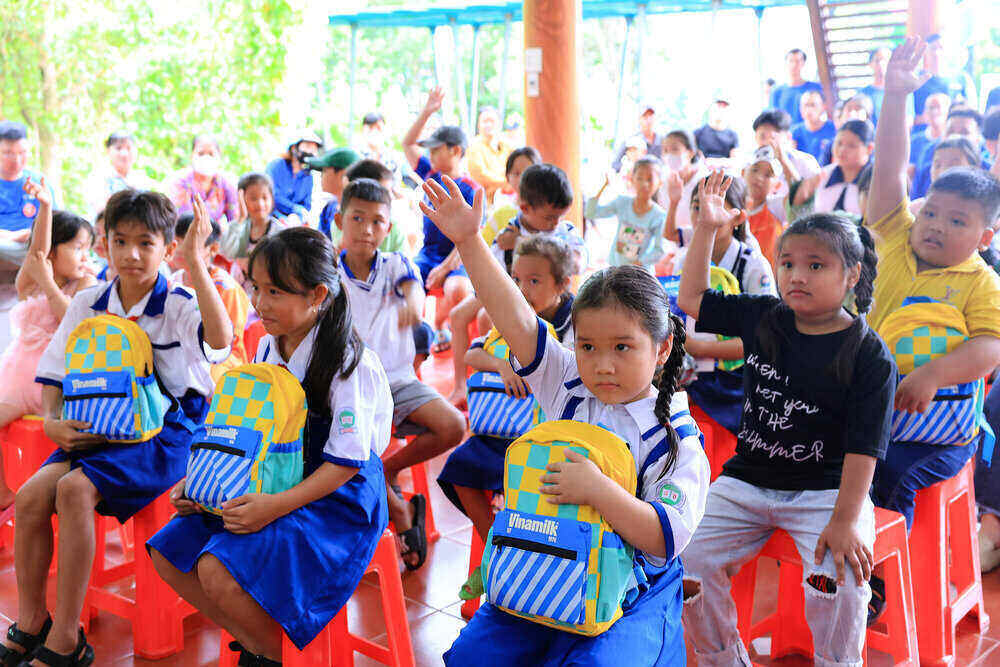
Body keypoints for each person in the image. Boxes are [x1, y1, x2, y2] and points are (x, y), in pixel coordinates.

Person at [421, 176, 709, 666]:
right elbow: (512, 315)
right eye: (587, 346)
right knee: (469, 656)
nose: (602, 364)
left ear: (661, 349)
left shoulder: (676, 440)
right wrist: (468, 241)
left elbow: (665, 537)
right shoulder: (566, 381)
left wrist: (597, 489)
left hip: (631, 594)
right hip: (546, 563)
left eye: (623, 347)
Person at [677, 171, 893, 666]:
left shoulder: (868, 354)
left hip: (829, 491)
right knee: (684, 560)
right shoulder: (765, 316)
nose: (797, 275)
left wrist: (844, 521)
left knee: (837, 576)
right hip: (748, 481)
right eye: (789, 263)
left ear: (852, 276)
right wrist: (707, 229)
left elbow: (866, 448)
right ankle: (722, 658)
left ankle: (838, 662)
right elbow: (692, 301)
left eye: (816, 265)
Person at [148, 227, 391, 666]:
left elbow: (347, 464)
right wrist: (199, 483)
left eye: (275, 291)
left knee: (216, 568)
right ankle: (262, 647)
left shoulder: (347, 362)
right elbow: (244, 429)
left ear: (317, 295)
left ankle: (269, 655)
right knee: (169, 553)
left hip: (337, 496)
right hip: (272, 475)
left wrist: (274, 506)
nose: (259, 302)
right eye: (257, 287)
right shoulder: (266, 346)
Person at [10, 190, 232, 666]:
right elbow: (55, 371)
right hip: (100, 427)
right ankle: (32, 621)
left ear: (167, 249)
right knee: (29, 497)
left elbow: (221, 340)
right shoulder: (90, 301)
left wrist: (196, 262)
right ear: (104, 244)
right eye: (120, 240)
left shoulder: (178, 301)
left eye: (145, 243)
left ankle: (68, 638)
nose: (131, 254)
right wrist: (52, 423)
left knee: (73, 490)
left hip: (168, 432)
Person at [864, 37, 1000, 529]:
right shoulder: (895, 235)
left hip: (935, 436)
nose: (938, 225)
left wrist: (934, 374)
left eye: (957, 221)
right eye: (934, 212)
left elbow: (990, 346)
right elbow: (891, 167)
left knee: (891, 476)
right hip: (869, 414)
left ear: (985, 237)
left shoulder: (980, 282)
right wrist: (897, 95)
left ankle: (881, 578)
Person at [437, 234, 579, 601]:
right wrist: (503, 366)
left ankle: (523, 559)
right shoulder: (512, 318)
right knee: (458, 467)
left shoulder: (575, 324)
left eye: (534, 281)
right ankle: (496, 552)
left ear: (562, 285)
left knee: (537, 484)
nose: (522, 288)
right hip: (507, 428)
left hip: (549, 436)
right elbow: (473, 354)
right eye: (517, 279)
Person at [333, 178, 464, 570]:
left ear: (388, 228)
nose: (367, 229)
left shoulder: (394, 265)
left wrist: (412, 303)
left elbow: (412, 290)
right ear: (341, 220)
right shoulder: (329, 275)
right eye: (357, 219)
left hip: (398, 382)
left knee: (454, 426)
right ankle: (401, 512)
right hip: (348, 389)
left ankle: (388, 470)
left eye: (377, 221)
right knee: (348, 448)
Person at [0, 178, 95, 512]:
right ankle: (3, 489)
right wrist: (44, 207)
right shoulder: (31, 277)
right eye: (78, 247)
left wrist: (48, 283)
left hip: (58, 385)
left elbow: (74, 324)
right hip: (17, 376)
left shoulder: (86, 283)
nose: (85, 256)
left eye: (88, 249)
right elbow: (38, 251)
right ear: (55, 250)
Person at [672, 175, 777, 439]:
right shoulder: (682, 261)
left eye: (715, 205)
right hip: (689, 380)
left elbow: (767, 341)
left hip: (739, 387)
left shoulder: (753, 265)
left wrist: (704, 349)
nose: (703, 214)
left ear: (739, 217)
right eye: (697, 206)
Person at [447, 146, 543, 407]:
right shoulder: (502, 211)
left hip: (521, 287)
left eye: (527, 171)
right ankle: (460, 386)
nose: (521, 178)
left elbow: (551, 247)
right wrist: (445, 268)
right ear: (508, 177)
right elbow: (475, 242)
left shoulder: (541, 208)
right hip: (495, 280)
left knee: (485, 318)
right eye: (515, 172)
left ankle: (499, 389)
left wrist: (520, 239)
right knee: (457, 316)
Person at [402, 87, 478, 352]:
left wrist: (444, 269)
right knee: (405, 280)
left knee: (457, 287)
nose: (430, 155)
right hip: (428, 254)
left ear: (456, 150)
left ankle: (440, 324)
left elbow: (469, 241)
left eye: (436, 149)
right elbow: (407, 143)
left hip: (459, 259)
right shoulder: (430, 175)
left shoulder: (471, 188)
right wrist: (428, 110)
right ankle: (416, 344)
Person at [170, 213, 251, 382]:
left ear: (213, 249)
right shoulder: (173, 282)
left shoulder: (227, 288)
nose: (180, 250)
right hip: (182, 357)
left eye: (191, 244)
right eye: (177, 242)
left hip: (221, 362)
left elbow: (229, 345)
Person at [586, 155, 667, 273]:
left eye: (650, 179)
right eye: (639, 178)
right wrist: (603, 186)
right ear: (632, 179)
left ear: (659, 183)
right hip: (615, 269)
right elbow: (591, 213)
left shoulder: (659, 215)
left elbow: (659, 250)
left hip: (641, 274)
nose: (644, 184)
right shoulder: (622, 203)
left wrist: (640, 263)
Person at [790, 119, 875, 219]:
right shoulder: (824, 175)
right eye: (839, 143)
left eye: (851, 146)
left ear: (869, 148)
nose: (842, 150)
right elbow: (797, 206)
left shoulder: (874, 181)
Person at [0, 121, 55, 267]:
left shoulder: (38, 182)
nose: (16, 160)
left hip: (35, 245)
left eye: (22, 153)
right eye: (8, 153)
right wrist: (14, 236)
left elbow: (56, 221)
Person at [324, 159, 408, 253]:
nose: (391, 197)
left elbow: (405, 262)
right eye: (384, 192)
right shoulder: (342, 220)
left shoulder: (394, 226)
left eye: (376, 222)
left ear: (388, 228)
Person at [221, 173, 286, 289]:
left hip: (265, 292)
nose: (260, 204)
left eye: (265, 198)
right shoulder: (239, 227)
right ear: (242, 199)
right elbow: (227, 252)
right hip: (238, 291)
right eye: (253, 198)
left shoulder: (279, 232)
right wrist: (240, 218)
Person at [911, 106, 988, 199]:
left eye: (964, 132)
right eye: (950, 131)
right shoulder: (927, 166)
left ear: (978, 139)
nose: (955, 136)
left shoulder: (989, 173)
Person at [167, 135, 239, 223]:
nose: (206, 158)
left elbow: (235, 221)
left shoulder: (227, 184)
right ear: (192, 156)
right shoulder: (180, 182)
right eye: (201, 153)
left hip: (215, 234)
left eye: (211, 154)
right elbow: (180, 220)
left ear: (219, 156)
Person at [752, 109, 821, 199]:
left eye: (773, 137)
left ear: (788, 137)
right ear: (755, 137)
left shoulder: (804, 162)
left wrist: (783, 160)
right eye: (762, 136)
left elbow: (813, 197)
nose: (767, 143)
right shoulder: (750, 164)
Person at [85, 131, 151, 217]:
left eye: (128, 148)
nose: (124, 154)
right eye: (118, 148)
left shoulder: (141, 179)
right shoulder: (97, 178)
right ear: (108, 151)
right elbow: (100, 209)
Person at [908, 137, 982, 214]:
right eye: (937, 165)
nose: (942, 171)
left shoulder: (982, 213)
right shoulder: (915, 210)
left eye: (953, 165)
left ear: (974, 169)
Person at [743, 145, 787, 268]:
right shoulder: (731, 204)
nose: (759, 178)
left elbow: (799, 196)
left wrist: (784, 161)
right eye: (754, 170)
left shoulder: (775, 207)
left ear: (777, 186)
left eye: (768, 175)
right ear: (743, 172)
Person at [659, 129, 709, 236]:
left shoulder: (703, 180)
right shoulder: (663, 178)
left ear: (690, 153)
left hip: (693, 239)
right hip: (670, 242)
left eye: (675, 149)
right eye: (665, 150)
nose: (669, 155)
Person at [266, 130, 322, 221]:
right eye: (307, 146)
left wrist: (297, 216)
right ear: (294, 148)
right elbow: (272, 195)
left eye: (314, 149)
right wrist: (295, 208)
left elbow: (306, 204)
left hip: (293, 222)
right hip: (271, 218)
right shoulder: (276, 166)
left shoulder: (308, 176)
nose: (311, 152)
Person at [308, 147, 361, 239]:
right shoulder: (329, 208)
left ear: (342, 174)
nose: (321, 176)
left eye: (324, 171)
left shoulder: (359, 215)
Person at [466, 107, 514, 205]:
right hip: (484, 203)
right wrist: (508, 183)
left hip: (506, 199)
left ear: (500, 124)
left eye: (492, 121)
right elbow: (481, 175)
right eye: (484, 121)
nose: (488, 125)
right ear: (478, 125)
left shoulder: (506, 145)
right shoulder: (474, 146)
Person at [770, 49, 824, 124]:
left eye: (798, 61)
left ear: (803, 63)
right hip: (785, 133)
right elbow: (773, 118)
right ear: (786, 63)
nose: (794, 64)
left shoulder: (816, 88)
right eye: (791, 61)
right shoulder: (777, 91)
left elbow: (822, 112)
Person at [611, 103, 663, 171]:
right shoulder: (631, 141)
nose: (648, 120)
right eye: (645, 117)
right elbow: (615, 164)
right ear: (639, 119)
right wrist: (629, 169)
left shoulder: (664, 141)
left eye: (651, 116)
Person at [791, 90, 837, 163]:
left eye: (813, 105)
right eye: (806, 105)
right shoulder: (794, 132)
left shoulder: (834, 129)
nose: (809, 109)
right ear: (800, 108)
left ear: (823, 106)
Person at [859, 47, 891, 126]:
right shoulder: (863, 94)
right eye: (877, 61)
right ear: (870, 64)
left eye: (886, 60)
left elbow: (908, 120)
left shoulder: (902, 91)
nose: (881, 64)